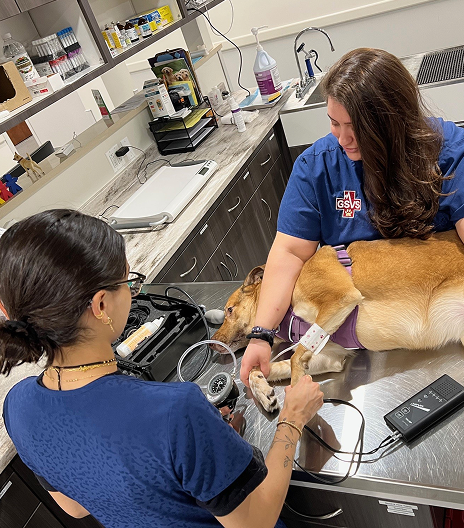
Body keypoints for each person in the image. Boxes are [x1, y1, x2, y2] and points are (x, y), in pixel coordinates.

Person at [0, 209, 323, 528]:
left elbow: (74, 507)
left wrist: (204, 452)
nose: (132, 290)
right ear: (101, 306)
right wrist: (292, 420)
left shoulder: (17, 406)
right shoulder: (175, 411)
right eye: (127, 280)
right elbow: (256, 522)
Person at [241, 47, 464, 385]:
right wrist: (261, 334)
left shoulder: (450, 152)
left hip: (449, 313)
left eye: (357, 128)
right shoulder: (317, 168)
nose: (343, 138)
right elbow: (289, 252)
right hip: (369, 339)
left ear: (397, 122)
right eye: (335, 123)